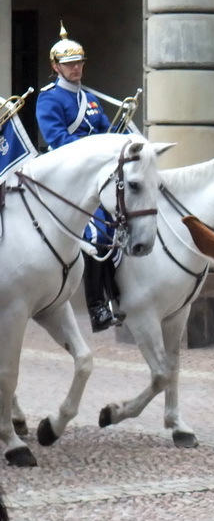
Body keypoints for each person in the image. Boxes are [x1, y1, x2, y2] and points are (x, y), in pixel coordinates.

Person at [35, 23, 118, 333]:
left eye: (79, 63)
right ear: (56, 67)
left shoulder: (90, 98)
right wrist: (97, 147)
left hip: (97, 172)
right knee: (98, 237)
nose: (76, 69)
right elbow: (56, 140)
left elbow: (106, 129)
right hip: (70, 175)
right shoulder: (50, 99)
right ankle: (97, 307)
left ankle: (119, 299)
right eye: (69, 64)